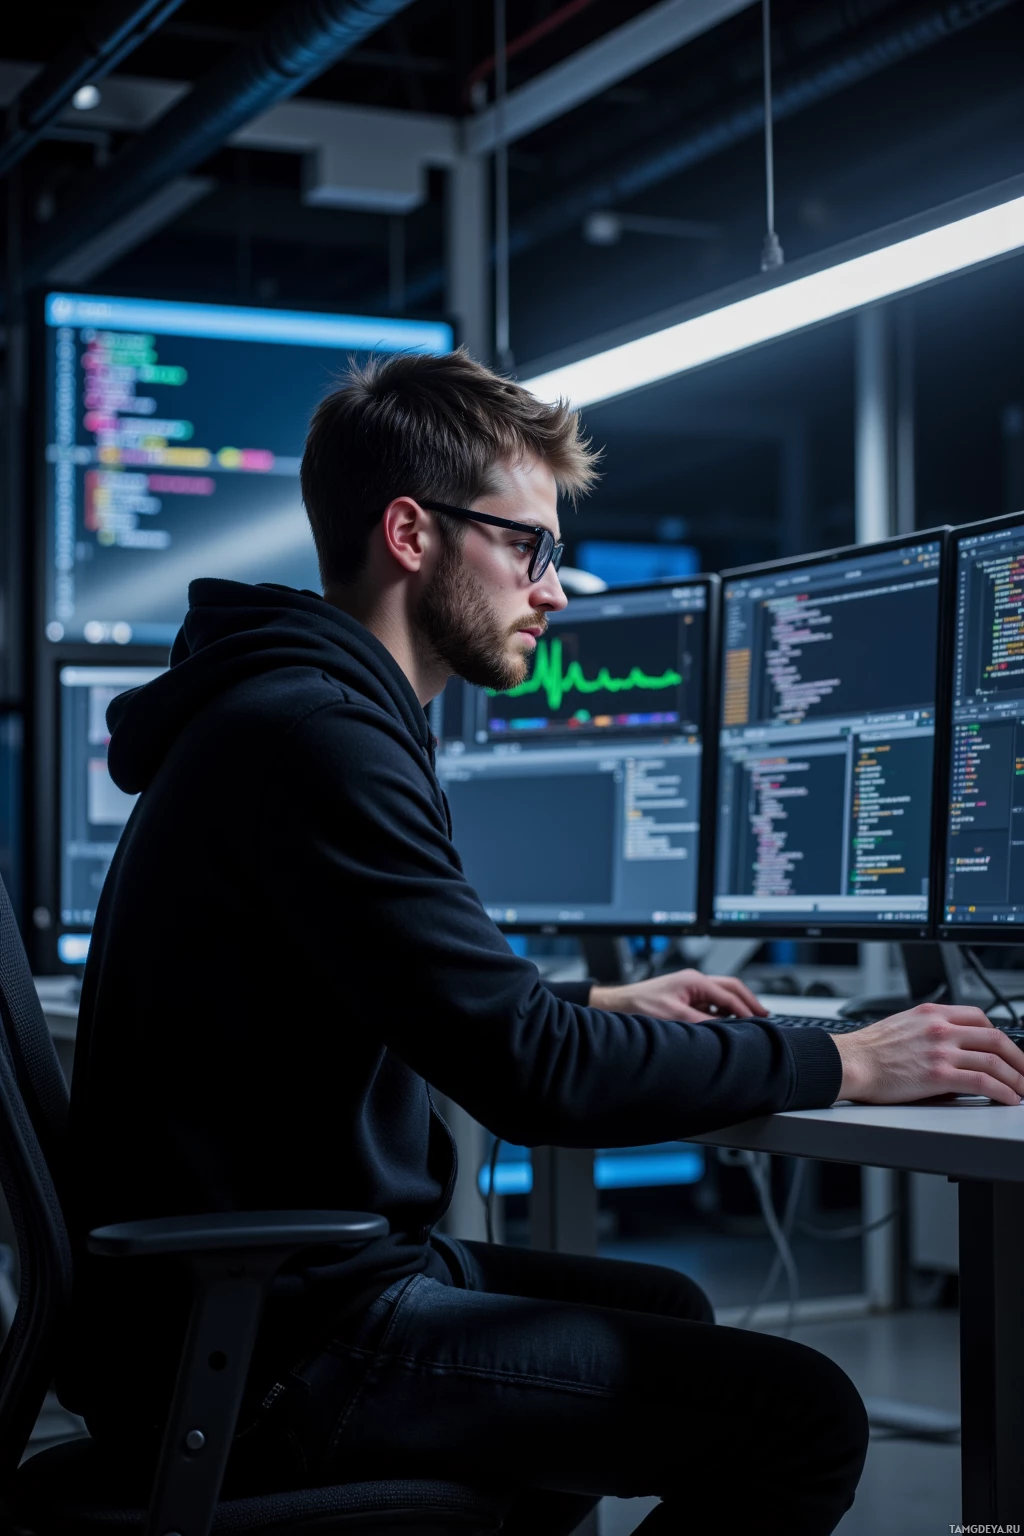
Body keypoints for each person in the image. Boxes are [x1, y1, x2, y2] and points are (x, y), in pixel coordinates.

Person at [63, 349, 1024, 1536]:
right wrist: (849, 1062)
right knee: (804, 1419)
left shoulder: (294, 709)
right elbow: (527, 1077)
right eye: (528, 546)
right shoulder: (316, 736)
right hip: (268, 1343)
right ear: (411, 533)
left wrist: (593, 1009)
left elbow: (395, 993)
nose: (555, 590)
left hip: (251, 1298)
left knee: (668, 1303)